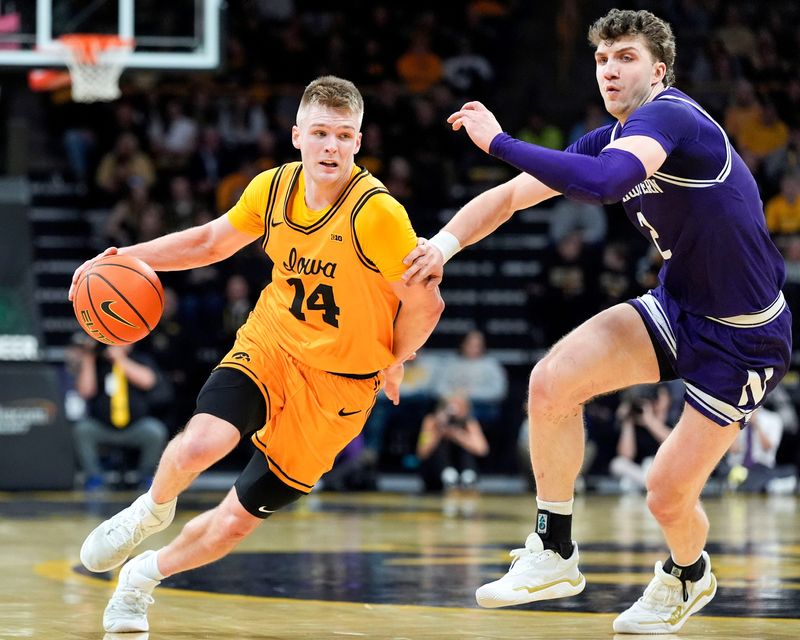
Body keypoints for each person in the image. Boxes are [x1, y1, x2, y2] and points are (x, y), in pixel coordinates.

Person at [402, 8, 791, 634]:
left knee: (665, 494)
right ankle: (553, 549)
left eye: (626, 58)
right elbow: (510, 196)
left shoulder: (672, 115)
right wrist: (442, 246)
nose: (609, 70)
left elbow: (609, 183)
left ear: (658, 71)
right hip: (678, 306)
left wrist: (499, 142)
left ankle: (688, 574)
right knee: (551, 381)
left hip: (745, 334)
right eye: (602, 59)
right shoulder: (614, 135)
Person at [68, 75, 444, 634]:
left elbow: (426, 303)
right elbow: (209, 242)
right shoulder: (272, 189)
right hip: (273, 343)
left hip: (341, 384)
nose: (331, 147)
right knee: (204, 442)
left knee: (234, 523)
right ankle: (149, 511)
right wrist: (121, 258)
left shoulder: (378, 216)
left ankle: (141, 578)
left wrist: (396, 357)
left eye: (344, 135)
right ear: (297, 136)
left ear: (359, 142)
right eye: (320, 133)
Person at [69, 336, 169, 490]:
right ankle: (94, 477)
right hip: (103, 427)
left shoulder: (140, 359)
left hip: (135, 427)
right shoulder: (98, 362)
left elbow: (148, 381)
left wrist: (120, 359)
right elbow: (85, 391)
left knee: (155, 431)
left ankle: (147, 476)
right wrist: (89, 357)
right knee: (82, 430)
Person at [417, 391, 489, 493]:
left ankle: (468, 476)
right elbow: (421, 451)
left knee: (465, 448)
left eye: (459, 405)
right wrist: (438, 430)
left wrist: (458, 435)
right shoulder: (430, 421)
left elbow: (482, 449)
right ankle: (448, 475)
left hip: (462, 473)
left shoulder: (469, 423)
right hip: (436, 476)